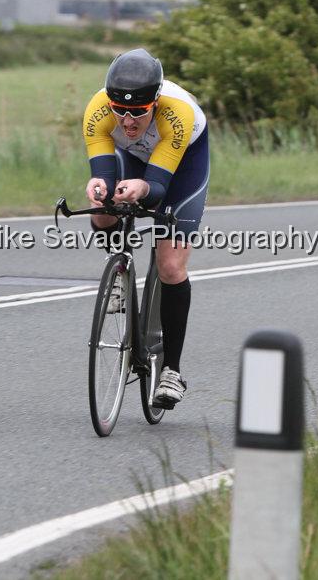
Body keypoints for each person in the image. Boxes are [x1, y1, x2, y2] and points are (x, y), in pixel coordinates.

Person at [81, 48, 209, 409]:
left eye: (137, 112)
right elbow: (103, 172)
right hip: (132, 156)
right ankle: (119, 273)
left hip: (182, 165)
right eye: (119, 110)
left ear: (154, 102)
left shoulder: (178, 113)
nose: (127, 120)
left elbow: (158, 187)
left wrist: (143, 189)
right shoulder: (97, 111)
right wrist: (100, 188)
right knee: (104, 206)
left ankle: (171, 370)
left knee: (170, 266)